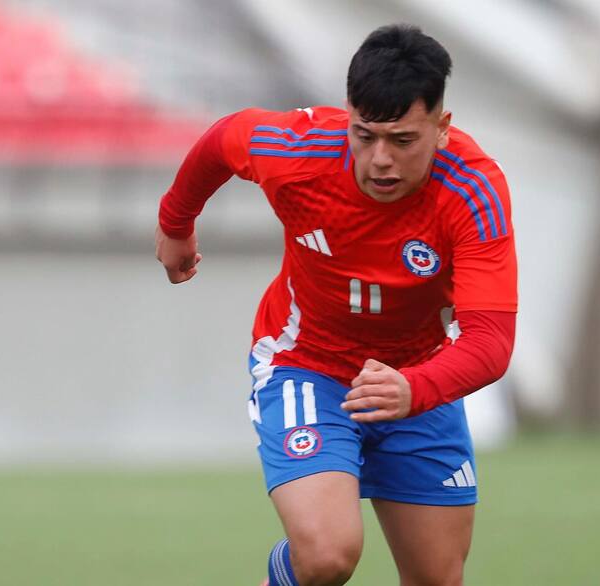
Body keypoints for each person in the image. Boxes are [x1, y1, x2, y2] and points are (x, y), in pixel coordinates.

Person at [156, 24, 517, 586]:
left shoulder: (473, 191)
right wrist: (176, 223)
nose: (379, 160)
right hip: (308, 366)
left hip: (417, 380)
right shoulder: (299, 150)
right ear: (347, 116)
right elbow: (224, 140)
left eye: (402, 140)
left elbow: (490, 341)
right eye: (364, 135)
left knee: (437, 579)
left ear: (442, 128)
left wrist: (415, 388)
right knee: (326, 556)